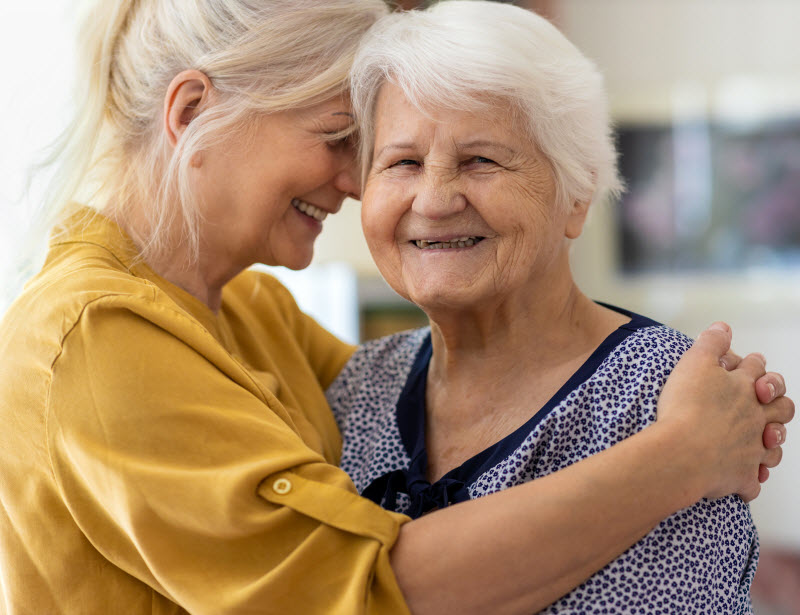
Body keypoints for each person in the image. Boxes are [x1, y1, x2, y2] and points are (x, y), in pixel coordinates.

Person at [0, 1, 791, 614]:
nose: (355, 182)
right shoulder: (91, 339)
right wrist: (680, 453)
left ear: (577, 194)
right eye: (358, 145)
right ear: (191, 111)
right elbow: (364, 588)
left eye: (483, 158)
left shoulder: (252, 312)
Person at [327, 2, 794, 614]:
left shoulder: (676, 397)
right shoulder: (355, 388)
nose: (434, 199)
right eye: (402, 163)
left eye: (481, 160)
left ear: (577, 195)